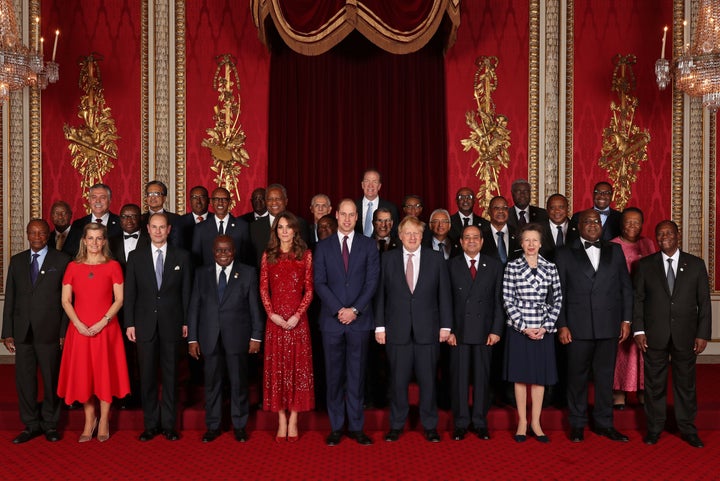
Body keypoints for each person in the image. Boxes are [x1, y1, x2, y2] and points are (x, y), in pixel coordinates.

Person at [555, 209, 632, 443]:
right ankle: (577, 423)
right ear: (578, 226)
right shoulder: (565, 253)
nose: (592, 225)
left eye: (596, 221)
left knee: (605, 377)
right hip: (577, 328)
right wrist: (562, 325)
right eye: (587, 221)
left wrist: (626, 320)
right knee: (577, 377)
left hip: (608, 326)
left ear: (601, 225)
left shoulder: (615, 250)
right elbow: (559, 293)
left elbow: (626, 288)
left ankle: (604, 423)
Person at [633, 220, 711, 448]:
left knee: (685, 384)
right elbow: (638, 300)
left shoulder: (696, 265)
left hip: (686, 335)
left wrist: (703, 333)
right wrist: (638, 330)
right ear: (656, 239)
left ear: (678, 235)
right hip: (653, 335)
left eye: (668, 233)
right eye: (660, 234)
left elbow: (704, 303)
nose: (664, 237)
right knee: (654, 385)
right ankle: (654, 428)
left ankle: (687, 428)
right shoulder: (645, 265)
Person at [375, 216, 452, 443]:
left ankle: (430, 425)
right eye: (407, 233)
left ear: (422, 236)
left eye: (416, 233)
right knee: (398, 382)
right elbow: (380, 295)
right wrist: (380, 326)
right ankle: (397, 425)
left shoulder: (436, 259)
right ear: (399, 236)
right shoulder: (387, 259)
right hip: (396, 330)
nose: (411, 237)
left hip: (428, 331)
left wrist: (446, 326)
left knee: (428, 381)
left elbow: (444, 295)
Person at [314, 199, 380, 446]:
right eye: (343, 214)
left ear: (356, 218)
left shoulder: (368, 245)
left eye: (352, 215)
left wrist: (353, 310)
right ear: (337, 215)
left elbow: (372, 282)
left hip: (358, 321)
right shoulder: (323, 246)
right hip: (331, 322)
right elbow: (319, 282)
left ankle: (356, 427)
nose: (347, 219)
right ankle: (335, 428)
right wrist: (338, 310)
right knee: (333, 377)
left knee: (356, 376)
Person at [57, 223, 129, 442]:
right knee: (84, 375)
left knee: (104, 374)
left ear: (105, 241)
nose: (95, 243)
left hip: (106, 329)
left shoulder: (113, 266)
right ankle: (89, 421)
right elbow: (65, 300)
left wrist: (103, 321)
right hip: (79, 329)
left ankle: (104, 420)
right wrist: (78, 324)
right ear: (84, 241)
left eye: (99, 238)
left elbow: (120, 299)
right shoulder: (73, 267)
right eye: (91, 238)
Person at [124, 213, 193, 442]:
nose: (158, 231)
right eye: (154, 227)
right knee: (147, 378)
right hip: (144, 325)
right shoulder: (136, 257)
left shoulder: (182, 256)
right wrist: (130, 323)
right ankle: (151, 425)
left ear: (169, 229)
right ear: (148, 229)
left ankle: (169, 425)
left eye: (162, 227)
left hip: (172, 324)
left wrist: (186, 322)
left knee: (171, 377)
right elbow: (130, 293)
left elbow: (186, 293)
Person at [188, 235, 263, 443]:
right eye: (219, 250)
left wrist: (256, 336)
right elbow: (194, 307)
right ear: (213, 252)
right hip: (209, 337)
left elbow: (254, 307)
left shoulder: (247, 273)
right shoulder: (202, 273)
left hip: (237, 337)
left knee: (239, 383)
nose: (223, 254)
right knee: (212, 383)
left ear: (234, 251)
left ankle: (239, 426)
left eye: (227, 250)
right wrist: (192, 339)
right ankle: (213, 426)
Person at [3, 219, 70, 443]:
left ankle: (51, 424)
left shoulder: (61, 260)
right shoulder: (17, 261)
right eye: (33, 232)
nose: (37, 236)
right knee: (24, 381)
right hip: (22, 332)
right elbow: (10, 298)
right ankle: (31, 424)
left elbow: (68, 301)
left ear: (48, 235)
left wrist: (63, 331)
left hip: (50, 332)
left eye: (41, 232)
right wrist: (7, 331)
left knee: (51, 380)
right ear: (27, 234)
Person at [502, 223, 562, 443]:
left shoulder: (551, 267)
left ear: (541, 243)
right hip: (520, 328)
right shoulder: (512, 267)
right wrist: (523, 326)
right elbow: (508, 300)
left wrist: (545, 327)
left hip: (543, 328)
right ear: (521, 243)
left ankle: (536, 422)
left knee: (539, 379)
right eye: (526, 240)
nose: (531, 244)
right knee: (520, 378)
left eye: (534, 240)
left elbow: (557, 299)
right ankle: (522, 422)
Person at [260, 212, 315, 442]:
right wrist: (271, 314)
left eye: (288, 227)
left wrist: (297, 315)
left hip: (297, 322)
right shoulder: (268, 255)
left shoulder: (305, 255)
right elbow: (263, 288)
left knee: (296, 371)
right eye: (280, 227)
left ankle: (293, 419)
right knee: (278, 372)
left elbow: (310, 290)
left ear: (295, 230)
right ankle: (281, 419)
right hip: (275, 323)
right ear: (276, 231)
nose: (284, 231)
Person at [446, 225, 503, 441]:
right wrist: (448, 330)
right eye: (467, 238)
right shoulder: (451, 265)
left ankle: (479, 421)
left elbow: (500, 301)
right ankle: (461, 422)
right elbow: (446, 301)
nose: (471, 241)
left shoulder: (495, 266)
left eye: (475, 238)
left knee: (482, 379)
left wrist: (496, 330)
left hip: (484, 332)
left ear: (481, 241)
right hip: (458, 333)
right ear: (460, 242)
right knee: (459, 379)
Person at [610, 207, 655, 409]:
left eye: (636, 222)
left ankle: (643, 390)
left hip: (645, 304)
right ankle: (619, 392)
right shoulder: (611, 246)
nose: (632, 226)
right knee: (622, 349)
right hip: (619, 304)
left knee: (644, 348)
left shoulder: (648, 244)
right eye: (628, 221)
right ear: (621, 223)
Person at [109, 203, 149, 409]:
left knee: (141, 354)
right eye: (125, 216)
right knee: (119, 353)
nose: (130, 220)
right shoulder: (110, 242)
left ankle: (142, 395)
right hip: (115, 307)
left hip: (144, 305)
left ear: (141, 219)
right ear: (120, 219)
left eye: (134, 216)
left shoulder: (152, 240)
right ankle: (121, 394)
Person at [251, 184, 311, 266]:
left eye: (278, 199)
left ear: (286, 201)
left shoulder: (300, 224)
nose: (274, 203)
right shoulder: (254, 227)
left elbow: (304, 255)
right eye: (270, 199)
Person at [193, 187, 252, 266]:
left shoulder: (242, 226)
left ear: (230, 202)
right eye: (217, 199)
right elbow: (196, 259)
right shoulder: (200, 228)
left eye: (224, 199)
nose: (220, 203)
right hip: (208, 276)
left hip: (236, 275)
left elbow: (246, 257)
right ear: (211, 202)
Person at [63, 183, 122, 257]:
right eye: (94, 197)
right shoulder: (78, 224)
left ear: (110, 200)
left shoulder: (121, 223)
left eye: (103, 197)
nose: (98, 201)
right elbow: (69, 253)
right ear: (89, 200)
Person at [355, 169, 399, 237]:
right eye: (367, 181)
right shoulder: (353, 206)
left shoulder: (391, 208)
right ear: (362, 185)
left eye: (374, 182)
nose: (370, 185)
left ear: (379, 186)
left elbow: (394, 234)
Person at [480, 196, 520, 265]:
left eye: (505, 208)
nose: (501, 211)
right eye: (496, 208)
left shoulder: (518, 233)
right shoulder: (480, 235)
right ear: (489, 211)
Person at [539, 193, 579, 262]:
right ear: (547, 210)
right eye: (552, 207)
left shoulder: (578, 229)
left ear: (567, 209)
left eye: (561, 207)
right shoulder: (537, 230)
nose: (557, 211)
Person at [174, 185, 209, 250]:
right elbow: (176, 248)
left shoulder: (216, 220)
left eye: (202, 197)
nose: (198, 201)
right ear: (190, 201)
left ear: (208, 201)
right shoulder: (179, 222)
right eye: (194, 197)